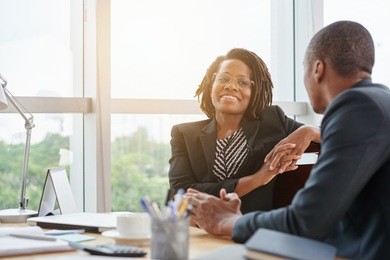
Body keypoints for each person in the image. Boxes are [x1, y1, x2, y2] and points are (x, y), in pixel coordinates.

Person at [185, 21, 390, 259]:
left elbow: (306, 221)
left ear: (317, 69)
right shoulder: (379, 101)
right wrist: (313, 132)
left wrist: (229, 222)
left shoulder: (356, 106)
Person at [168, 48, 320, 214]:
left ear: (254, 92)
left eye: (242, 82)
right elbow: (181, 192)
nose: (231, 86)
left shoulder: (273, 121)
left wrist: (309, 130)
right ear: (212, 83)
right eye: (223, 78)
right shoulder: (183, 134)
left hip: (253, 231)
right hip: (202, 231)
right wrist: (258, 179)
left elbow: (338, 135)